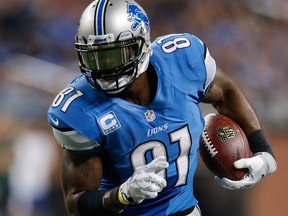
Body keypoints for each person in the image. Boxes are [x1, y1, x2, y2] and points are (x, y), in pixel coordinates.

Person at [47, 0, 277, 215]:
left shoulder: (182, 60)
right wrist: (121, 195)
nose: (105, 69)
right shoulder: (80, 109)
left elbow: (226, 92)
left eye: (115, 55)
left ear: (142, 43)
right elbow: (76, 202)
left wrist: (263, 151)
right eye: (95, 58)